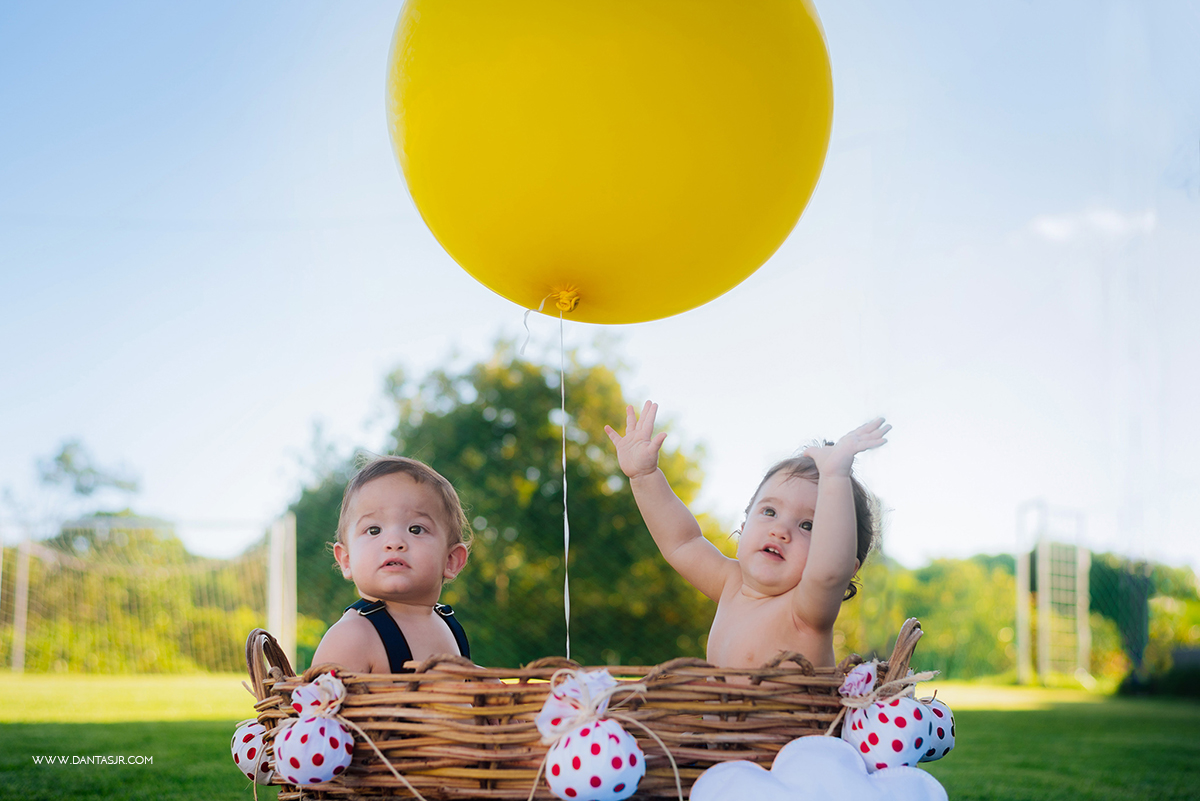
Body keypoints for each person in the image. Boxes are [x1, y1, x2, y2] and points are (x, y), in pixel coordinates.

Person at [605, 402, 886, 669]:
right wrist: (644, 475)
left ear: (847, 569)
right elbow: (682, 542)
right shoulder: (731, 583)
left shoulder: (806, 608)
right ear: (744, 524)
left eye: (808, 526)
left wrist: (835, 477)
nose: (780, 531)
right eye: (769, 512)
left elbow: (827, 573)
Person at [312, 456, 472, 674]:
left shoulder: (448, 627)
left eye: (416, 529)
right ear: (346, 560)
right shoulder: (352, 636)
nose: (394, 542)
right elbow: (317, 706)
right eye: (374, 530)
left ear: (451, 560)